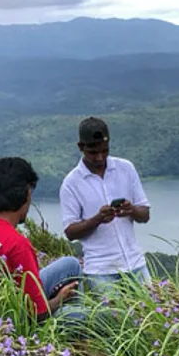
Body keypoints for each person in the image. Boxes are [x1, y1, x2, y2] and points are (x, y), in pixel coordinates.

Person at [0, 156, 82, 322]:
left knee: (71, 264)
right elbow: (37, 314)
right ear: (27, 194)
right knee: (86, 315)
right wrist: (59, 300)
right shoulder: (17, 244)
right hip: (10, 317)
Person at [59, 117, 152, 293]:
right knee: (111, 320)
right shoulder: (71, 184)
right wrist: (98, 219)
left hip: (135, 263)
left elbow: (145, 214)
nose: (100, 157)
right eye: (93, 152)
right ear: (81, 147)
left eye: (105, 151)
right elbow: (70, 232)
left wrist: (131, 210)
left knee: (152, 314)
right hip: (101, 271)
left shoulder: (126, 169)